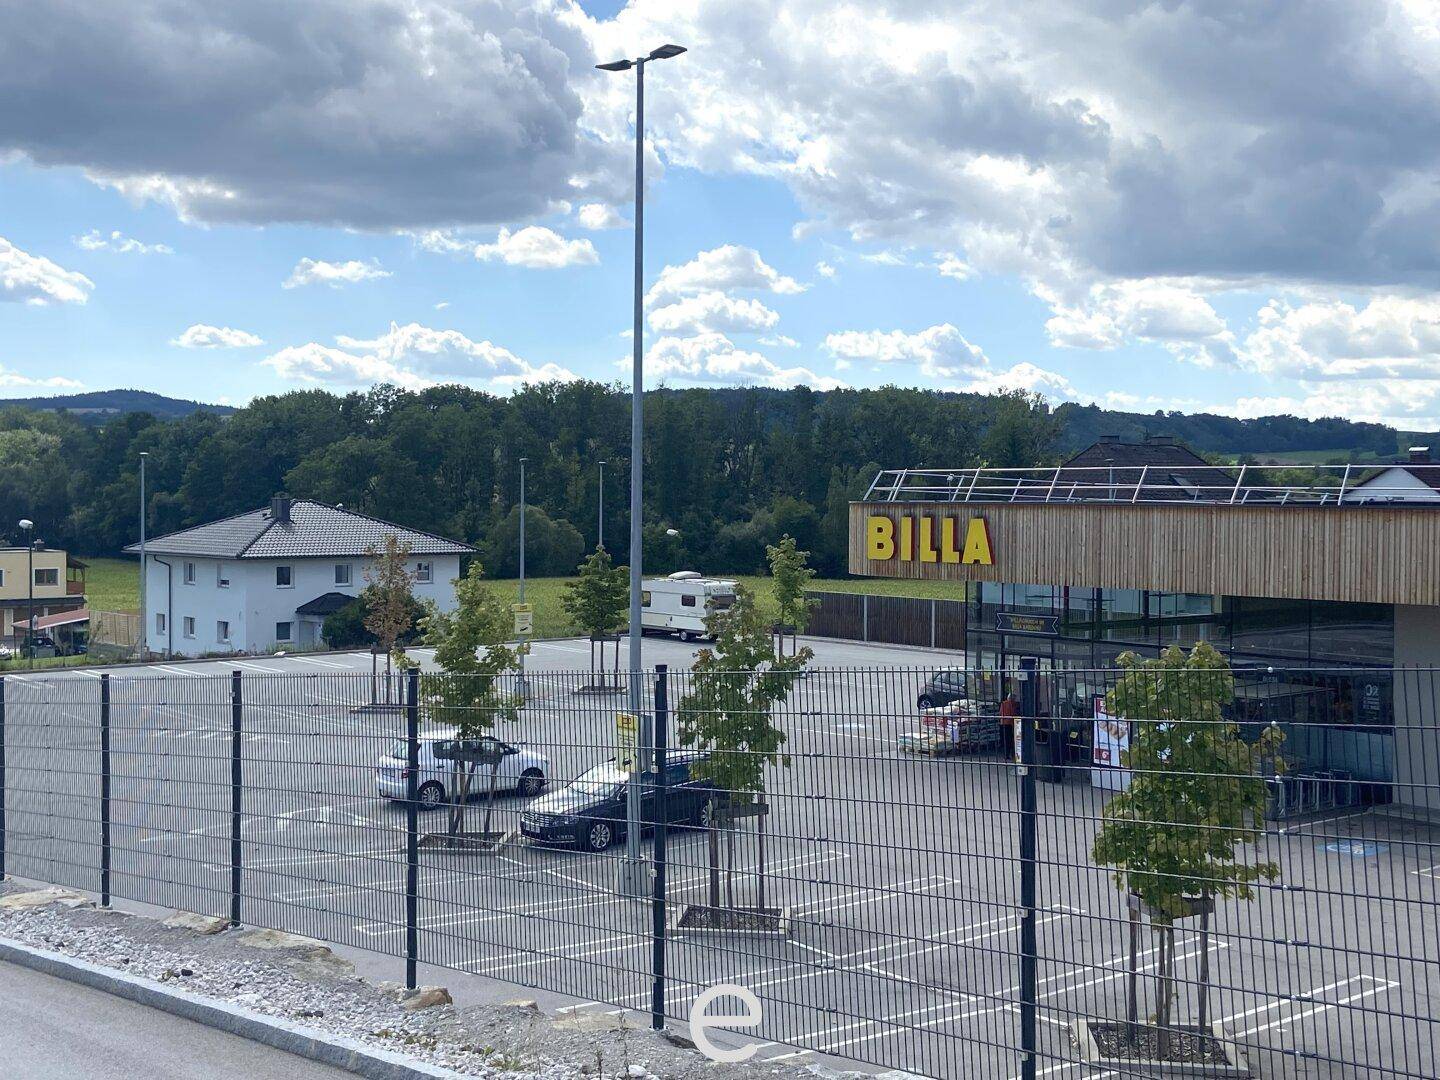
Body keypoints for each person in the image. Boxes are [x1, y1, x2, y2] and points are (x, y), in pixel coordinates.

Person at [998, 692, 1020, 759]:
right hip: (1010, 724)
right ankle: (1013, 755)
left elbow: (1000, 712)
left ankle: (1006, 755)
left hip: (1003, 723)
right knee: (1012, 740)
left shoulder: (1003, 704)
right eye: (1014, 698)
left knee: (1005, 740)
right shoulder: (1013, 704)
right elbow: (1014, 713)